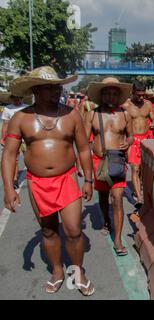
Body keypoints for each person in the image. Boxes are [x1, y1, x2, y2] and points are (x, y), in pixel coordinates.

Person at [2, 66, 95, 296]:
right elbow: (10, 155)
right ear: (36, 90)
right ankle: (57, 271)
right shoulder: (20, 118)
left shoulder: (71, 114)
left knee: (73, 231)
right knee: (49, 231)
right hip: (37, 183)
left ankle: (78, 273)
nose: (56, 91)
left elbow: (83, 149)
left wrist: (89, 179)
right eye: (50, 87)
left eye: (57, 86)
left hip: (67, 179)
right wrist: (8, 188)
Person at [85, 77, 133, 256]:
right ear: (101, 95)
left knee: (118, 198)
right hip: (98, 161)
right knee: (103, 198)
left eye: (114, 93)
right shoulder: (92, 114)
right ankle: (106, 220)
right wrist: (83, 166)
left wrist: (127, 142)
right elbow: (83, 141)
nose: (111, 96)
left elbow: (131, 136)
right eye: (107, 93)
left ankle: (118, 239)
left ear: (118, 96)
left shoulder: (125, 114)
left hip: (117, 161)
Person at [122, 82, 154, 209]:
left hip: (146, 140)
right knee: (135, 168)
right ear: (133, 92)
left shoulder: (148, 104)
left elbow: (153, 119)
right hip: (133, 139)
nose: (141, 98)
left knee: (143, 168)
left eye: (143, 95)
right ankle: (139, 197)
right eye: (138, 95)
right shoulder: (126, 105)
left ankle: (141, 189)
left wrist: (153, 123)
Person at [1, 94, 29, 189]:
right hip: (13, 138)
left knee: (29, 157)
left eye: (19, 98)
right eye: (15, 98)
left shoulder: (27, 107)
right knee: (14, 159)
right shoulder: (7, 109)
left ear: (22, 98)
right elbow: (5, 124)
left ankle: (33, 175)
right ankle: (15, 179)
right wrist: (3, 137)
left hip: (26, 138)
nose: (17, 100)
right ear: (11, 99)